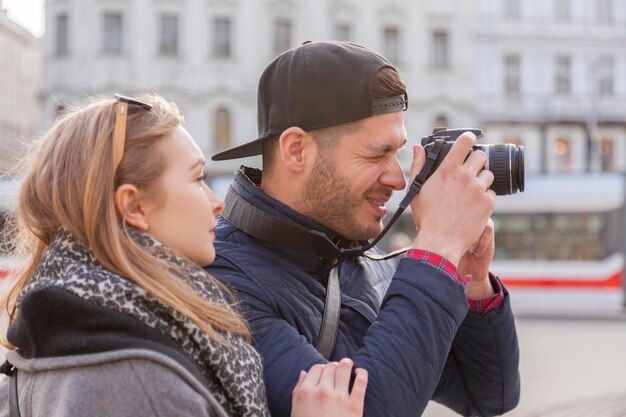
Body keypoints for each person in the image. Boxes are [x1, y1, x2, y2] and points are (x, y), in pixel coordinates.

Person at [0, 94, 368, 417]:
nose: (216, 200)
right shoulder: (136, 381)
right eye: (197, 178)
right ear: (133, 207)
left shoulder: (82, 325)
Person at [208, 41, 521, 417]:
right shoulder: (222, 282)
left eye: (399, 152)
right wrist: (439, 248)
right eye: (376, 154)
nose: (399, 178)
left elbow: (490, 396)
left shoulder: (356, 258)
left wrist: (472, 283)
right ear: (295, 151)